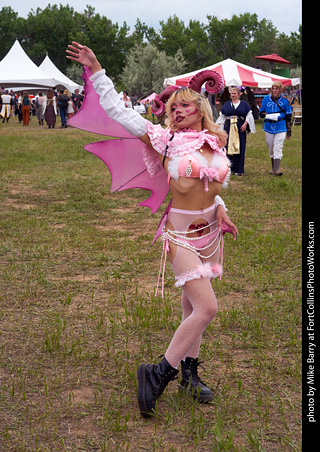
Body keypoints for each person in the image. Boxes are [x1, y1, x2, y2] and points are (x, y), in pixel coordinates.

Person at [67, 41, 238, 418]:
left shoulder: (215, 142)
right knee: (207, 308)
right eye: (173, 106)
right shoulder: (165, 142)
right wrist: (97, 69)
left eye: (185, 106)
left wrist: (222, 210)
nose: (177, 111)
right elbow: (118, 110)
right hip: (179, 235)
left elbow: (212, 185)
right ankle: (159, 373)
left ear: (200, 111)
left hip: (210, 235)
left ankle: (190, 375)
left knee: (192, 307)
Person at [216, 87, 255, 176]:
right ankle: (229, 168)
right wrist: (219, 128)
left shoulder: (244, 104)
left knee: (240, 147)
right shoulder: (227, 104)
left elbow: (249, 114)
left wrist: (245, 124)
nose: (233, 95)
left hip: (240, 128)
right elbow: (222, 116)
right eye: (231, 94)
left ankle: (239, 169)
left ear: (239, 94)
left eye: (234, 93)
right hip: (229, 128)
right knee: (228, 147)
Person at [259, 81, 292, 176]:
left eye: (276, 89)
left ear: (280, 90)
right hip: (269, 126)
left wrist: (289, 131)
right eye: (273, 88)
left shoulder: (286, 101)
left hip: (281, 126)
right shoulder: (266, 99)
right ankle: (273, 169)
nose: (274, 90)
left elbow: (288, 117)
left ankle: (277, 170)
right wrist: (263, 115)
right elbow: (261, 112)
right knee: (271, 147)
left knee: (278, 147)